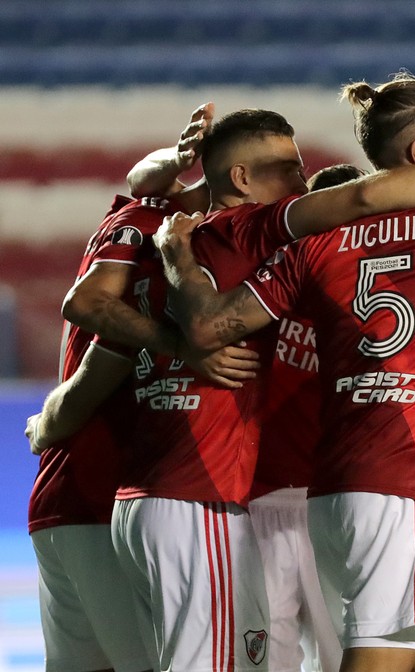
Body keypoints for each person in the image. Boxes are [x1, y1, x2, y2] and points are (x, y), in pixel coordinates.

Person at [104, 105, 415, 672]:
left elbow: (108, 290)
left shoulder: (281, 248)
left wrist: (174, 261)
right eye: (289, 168)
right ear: (242, 178)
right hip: (360, 483)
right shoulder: (271, 231)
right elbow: (367, 199)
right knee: (345, 653)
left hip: (308, 492)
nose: (301, 180)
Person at [23, 103, 258, 672]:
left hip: (63, 500)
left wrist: (49, 422)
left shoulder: (138, 217)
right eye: (288, 170)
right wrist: (184, 344)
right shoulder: (166, 255)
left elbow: (143, 178)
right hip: (104, 494)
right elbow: (99, 352)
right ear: (240, 177)